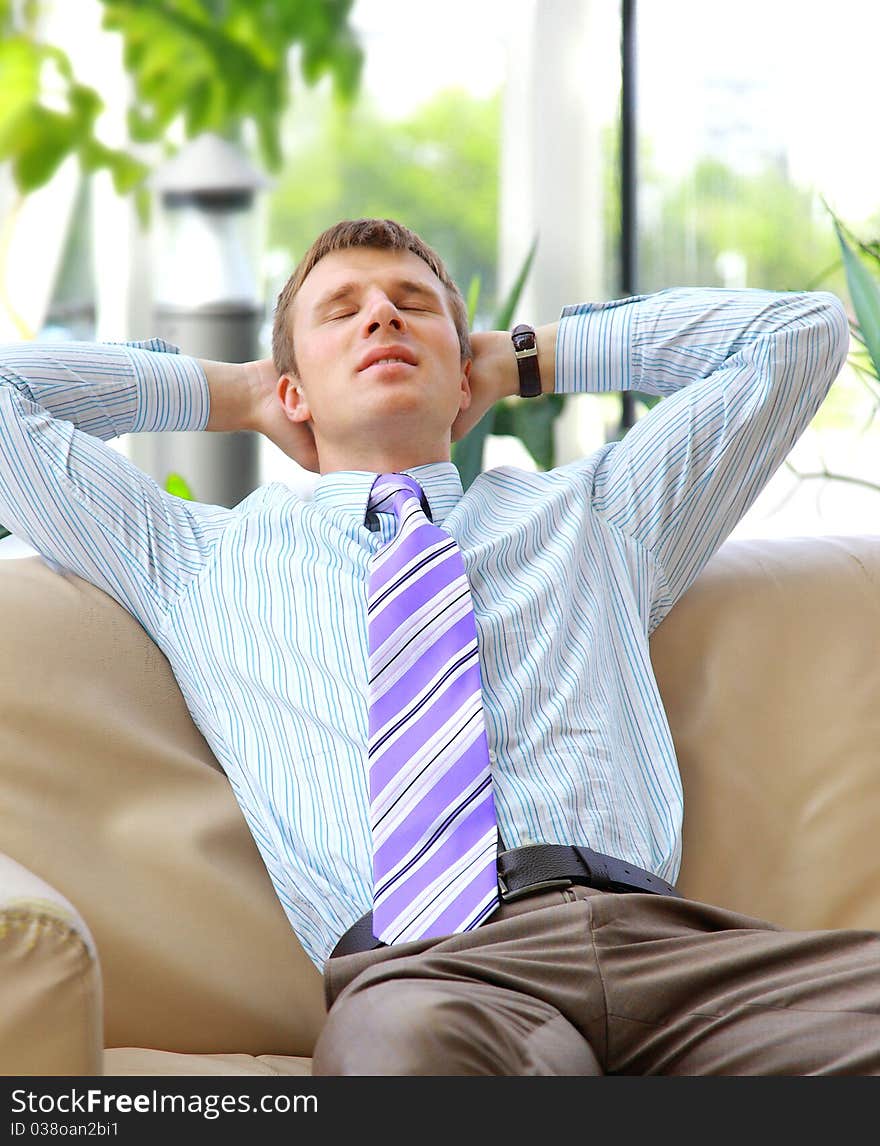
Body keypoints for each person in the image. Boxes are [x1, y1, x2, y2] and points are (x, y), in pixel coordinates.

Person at [0, 215, 874, 1076]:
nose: (382, 315)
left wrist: (524, 357)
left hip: (667, 951)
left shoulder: (597, 516)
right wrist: (237, 392)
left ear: (466, 380)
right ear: (293, 389)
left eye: (414, 304)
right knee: (403, 1062)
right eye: (340, 312)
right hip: (430, 974)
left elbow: (795, 338)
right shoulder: (196, 561)